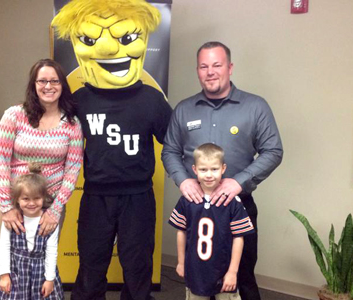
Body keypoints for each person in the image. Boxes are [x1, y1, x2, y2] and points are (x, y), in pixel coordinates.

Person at [51, 1, 173, 299]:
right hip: (95, 196)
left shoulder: (152, 100)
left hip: (138, 197)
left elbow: (174, 146)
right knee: (91, 265)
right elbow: (56, 139)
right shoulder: (79, 99)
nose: (107, 49)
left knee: (138, 266)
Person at [162, 41, 283, 300]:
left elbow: (273, 151)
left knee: (242, 277)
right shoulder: (184, 109)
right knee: (197, 278)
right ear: (197, 70)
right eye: (204, 66)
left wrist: (238, 182)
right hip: (196, 209)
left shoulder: (255, 106)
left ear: (230, 67)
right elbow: (169, 151)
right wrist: (183, 181)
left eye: (217, 65)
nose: (210, 72)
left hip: (237, 206)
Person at [0, 58, 83, 237]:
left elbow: (72, 170)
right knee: (11, 259)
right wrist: (7, 206)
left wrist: (56, 210)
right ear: (34, 85)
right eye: (42, 81)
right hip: (15, 200)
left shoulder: (72, 124)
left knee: (45, 260)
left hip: (51, 203)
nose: (48, 86)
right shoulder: (14, 116)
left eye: (54, 81)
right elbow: (0, 161)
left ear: (62, 85)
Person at [169, 143, 255, 300]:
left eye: (214, 169)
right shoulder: (187, 200)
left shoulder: (232, 201)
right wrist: (181, 262)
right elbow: (180, 231)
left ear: (223, 169)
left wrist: (233, 272)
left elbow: (239, 237)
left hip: (224, 269)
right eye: (203, 170)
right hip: (196, 270)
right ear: (194, 170)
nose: (209, 175)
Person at [0, 163, 64, 300]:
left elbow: (51, 252)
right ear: (17, 199)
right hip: (17, 274)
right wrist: (4, 275)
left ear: (43, 198)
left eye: (37, 198)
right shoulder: (12, 220)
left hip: (41, 275)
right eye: (26, 198)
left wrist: (50, 279)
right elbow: (4, 248)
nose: (31, 203)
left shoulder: (50, 222)